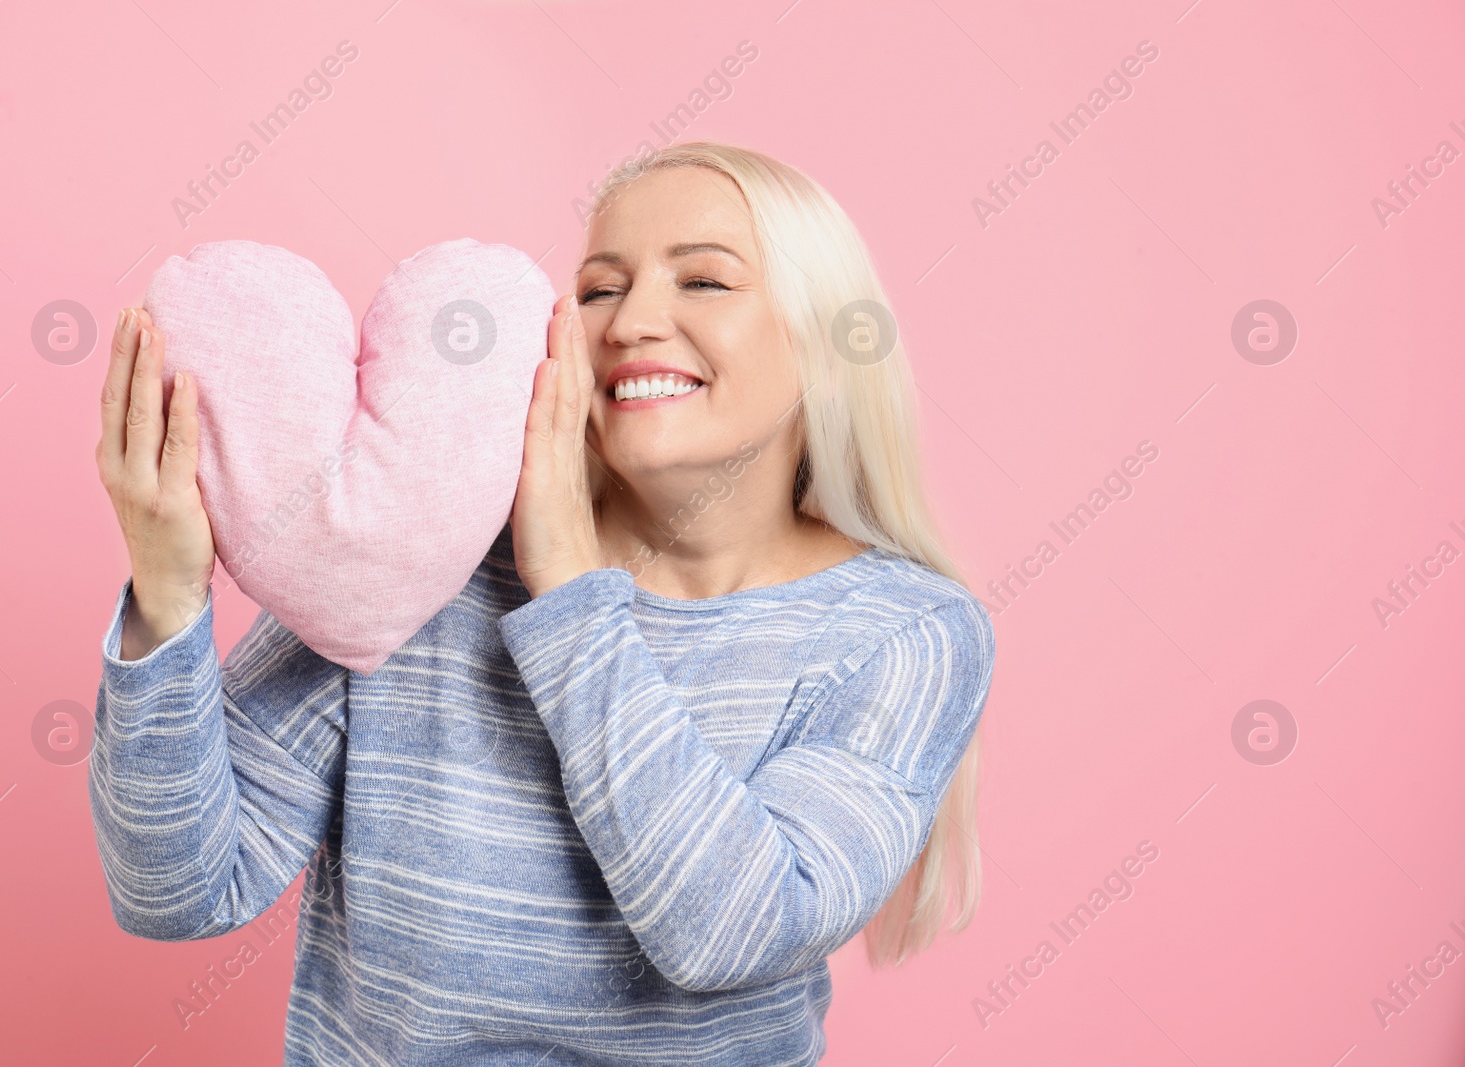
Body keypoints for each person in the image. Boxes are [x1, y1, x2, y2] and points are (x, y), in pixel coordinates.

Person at [90, 141, 997, 1066]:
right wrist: (167, 596)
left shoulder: (906, 632)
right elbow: (179, 890)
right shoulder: (428, 562)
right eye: (601, 288)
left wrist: (566, 586)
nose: (633, 321)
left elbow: (725, 932)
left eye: (705, 282)